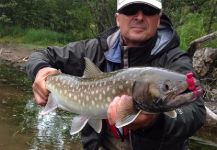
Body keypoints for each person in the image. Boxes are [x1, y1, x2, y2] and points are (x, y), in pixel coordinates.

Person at [26, 0, 206, 149]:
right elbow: (41, 55)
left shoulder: (175, 60)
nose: (139, 16)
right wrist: (40, 71)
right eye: (130, 10)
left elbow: (195, 112)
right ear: (118, 19)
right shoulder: (93, 50)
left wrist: (155, 123)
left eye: (148, 10)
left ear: (158, 19)